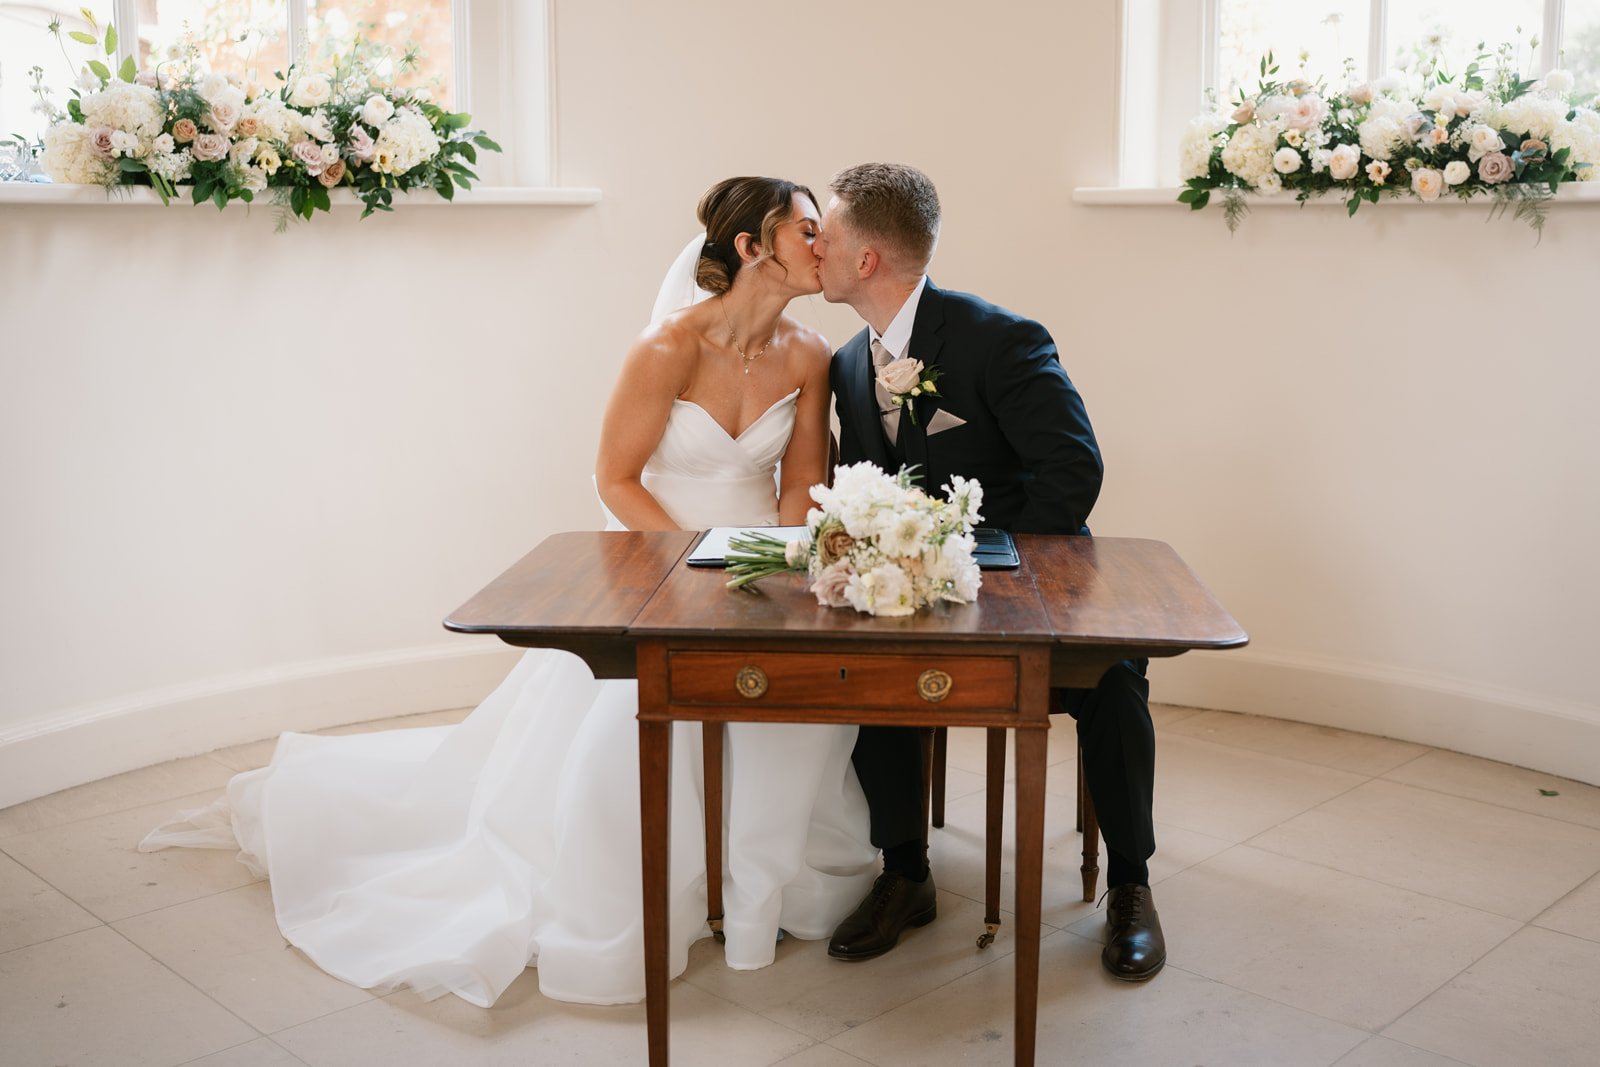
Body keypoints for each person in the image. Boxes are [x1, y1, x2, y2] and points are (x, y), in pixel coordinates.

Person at [141, 176, 878, 1007]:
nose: (823, 246)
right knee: (616, 741)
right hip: (661, 560)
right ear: (752, 246)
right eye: (807, 230)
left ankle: (757, 891)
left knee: (800, 710)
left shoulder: (811, 353)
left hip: (754, 565)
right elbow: (616, 477)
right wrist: (688, 571)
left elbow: (800, 482)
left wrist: (769, 571)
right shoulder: (666, 348)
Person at [815, 163, 1165, 982]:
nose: (815, 249)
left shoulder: (1000, 339)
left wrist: (973, 565)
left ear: (867, 259)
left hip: (1027, 591)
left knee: (1113, 678)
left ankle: (1132, 886)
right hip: (916, 600)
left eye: (825, 235)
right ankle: (905, 873)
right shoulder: (845, 365)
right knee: (866, 664)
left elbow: (1073, 473)